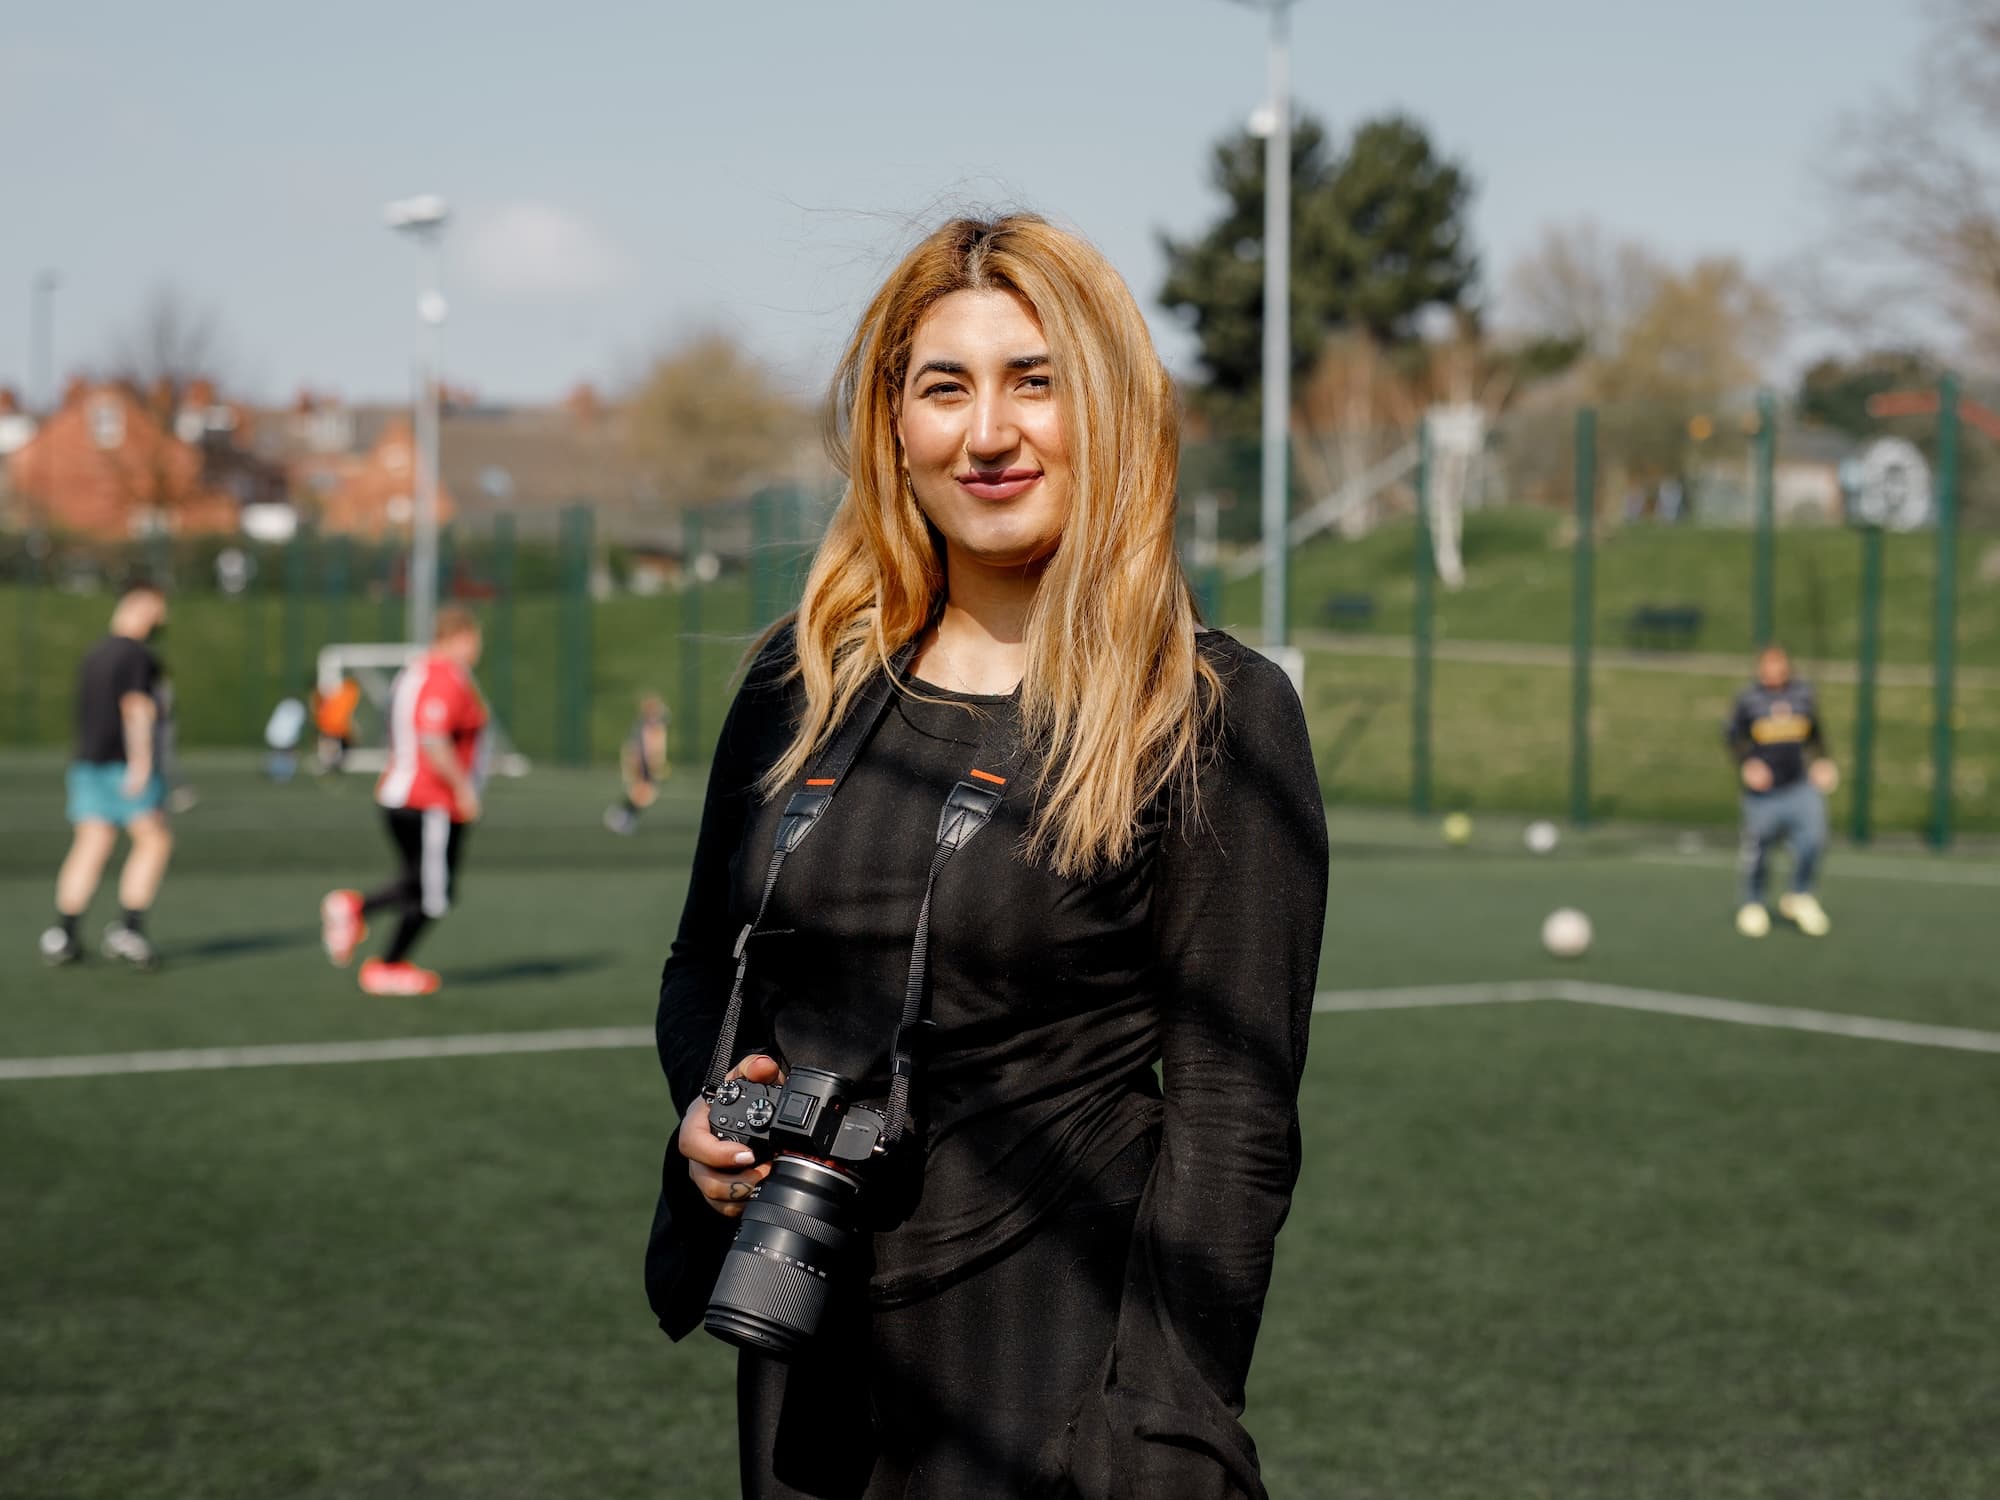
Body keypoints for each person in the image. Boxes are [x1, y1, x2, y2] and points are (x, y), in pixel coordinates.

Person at [646, 215, 1328, 1499]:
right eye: (942, 386)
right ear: (892, 426)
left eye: (1035, 379)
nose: (988, 433)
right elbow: (701, 963)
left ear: (1111, 409)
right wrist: (706, 1108)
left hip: (1053, 1374)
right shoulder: (801, 688)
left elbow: (1234, 1122)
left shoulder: (1206, 713)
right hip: (804, 1349)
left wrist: (1163, 1428)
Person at [319, 608, 488, 996]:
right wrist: (463, 789)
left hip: (402, 794)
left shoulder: (415, 670)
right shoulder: (443, 676)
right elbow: (433, 738)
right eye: (474, 638)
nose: (478, 648)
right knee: (434, 895)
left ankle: (361, 920)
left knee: (418, 882)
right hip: (428, 800)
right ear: (458, 636)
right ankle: (384, 957)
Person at [39, 584, 175, 970]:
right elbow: (136, 709)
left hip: (87, 762)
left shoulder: (94, 653)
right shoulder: (136, 655)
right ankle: (128, 928)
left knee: (92, 843)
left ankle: (63, 932)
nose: (162, 620)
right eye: (159, 610)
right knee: (154, 840)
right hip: (123, 764)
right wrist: (142, 765)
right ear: (143, 606)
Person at [1726, 642, 1838, 937]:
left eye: (1779, 664)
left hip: (1799, 785)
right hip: (1764, 793)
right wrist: (1747, 764)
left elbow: (1816, 733)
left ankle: (1800, 895)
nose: (1774, 670)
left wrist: (1822, 761)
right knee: (1758, 848)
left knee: (1814, 840)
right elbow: (1732, 736)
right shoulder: (1749, 699)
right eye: (1768, 664)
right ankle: (1753, 903)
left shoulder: (1802, 695)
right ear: (1760, 667)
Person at [604, 691, 671, 834]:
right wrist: (653, 765)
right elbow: (646, 749)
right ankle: (621, 816)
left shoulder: (653, 725)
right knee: (643, 793)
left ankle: (623, 816)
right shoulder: (648, 727)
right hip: (642, 764)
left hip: (643, 763)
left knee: (644, 793)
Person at [311, 672, 362, 772]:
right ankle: (333, 762)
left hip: (335, 730)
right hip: (333, 730)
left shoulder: (347, 693)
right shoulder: (347, 693)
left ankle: (334, 762)